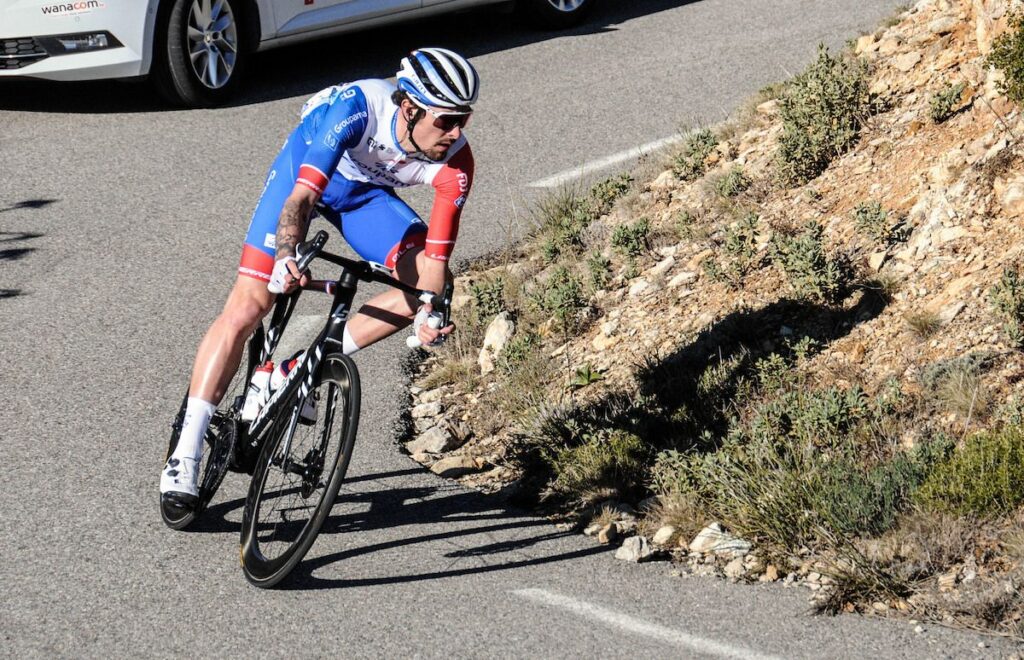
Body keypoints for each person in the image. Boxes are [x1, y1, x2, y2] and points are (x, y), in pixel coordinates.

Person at [160, 47, 478, 511]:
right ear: (409, 108)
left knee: (429, 287)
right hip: (307, 179)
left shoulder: (457, 164)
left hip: (365, 197)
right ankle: (184, 454)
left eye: (463, 121)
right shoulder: (356, 108)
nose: (454, 134)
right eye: (446, 120)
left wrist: (429, 308)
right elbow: (302, 200)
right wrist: (287, 257)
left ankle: (294, 372)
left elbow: (435, 257)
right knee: (250, 304)